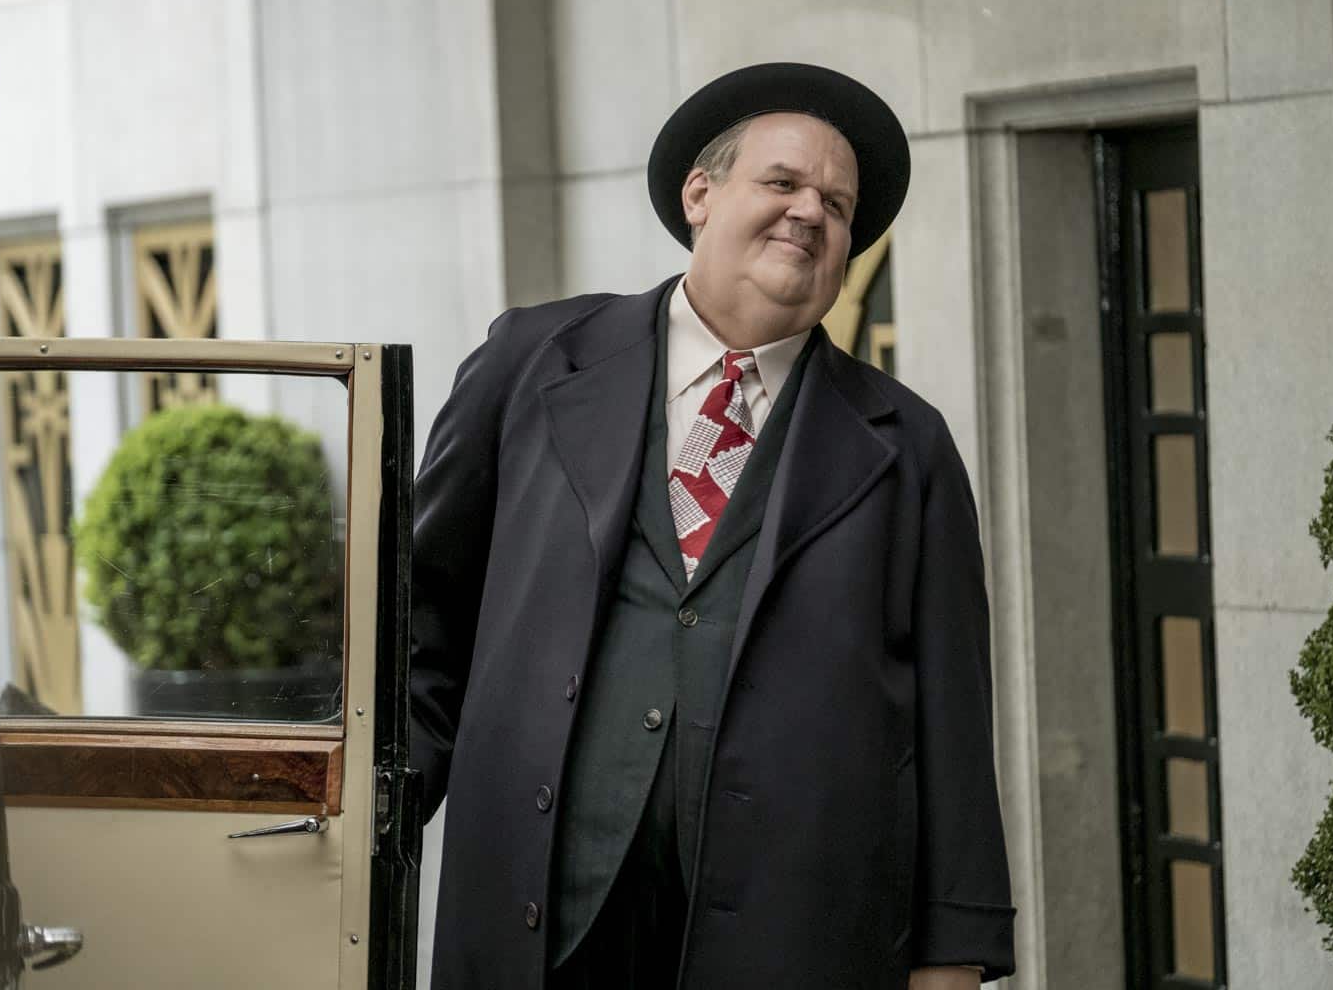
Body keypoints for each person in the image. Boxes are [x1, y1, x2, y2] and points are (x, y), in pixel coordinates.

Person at [409, 62, 1016, 989]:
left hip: (794, 935)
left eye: (837, 205)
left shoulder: (907, 446)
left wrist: (953, 957)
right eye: (782, 182)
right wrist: (362, 822)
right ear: (700, 194)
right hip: (536, 922)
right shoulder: (531, 363)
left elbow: (953, 726)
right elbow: (423, 625)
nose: (809, 212)